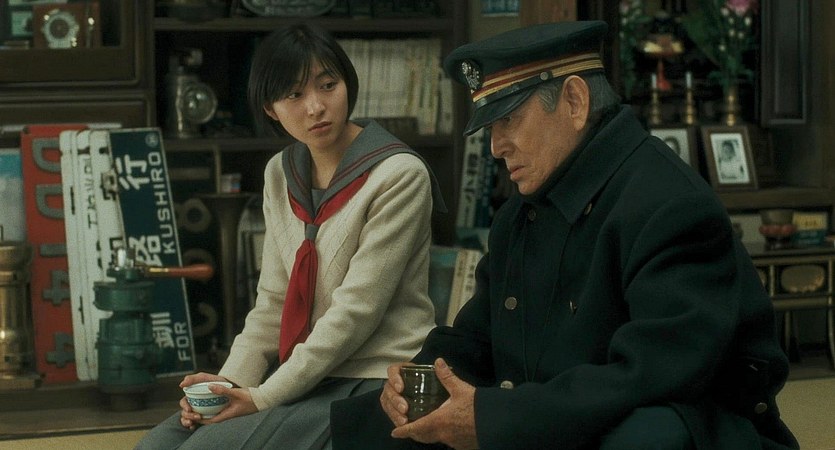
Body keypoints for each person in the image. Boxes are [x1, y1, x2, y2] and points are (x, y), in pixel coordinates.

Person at [331, 21, 798, 449]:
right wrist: (420, 375)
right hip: (556, 409)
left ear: (575, 101)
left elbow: (651, 376)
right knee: (382, 423)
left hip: (687, 426)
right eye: (491, 127)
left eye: (508, 120)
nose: (495, 147)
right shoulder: (520, 212)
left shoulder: (670, 204)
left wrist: (495, 418)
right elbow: (479, 336)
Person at [136, 22, 445, 449]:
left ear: (348, 84)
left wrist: (262, 397)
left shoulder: (398, 175)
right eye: (294, 95)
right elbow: (272, 303)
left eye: (328, 85)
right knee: (157, 445)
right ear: (270, 108)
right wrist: (228, 385)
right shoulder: (281, 173)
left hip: (373, 378)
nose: (316, 107)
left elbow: (355, 314)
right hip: (300, 373)